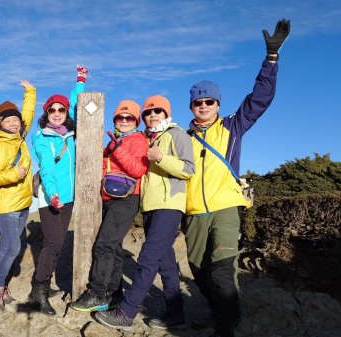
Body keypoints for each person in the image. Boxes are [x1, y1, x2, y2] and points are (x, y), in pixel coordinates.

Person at [183, 19, 290, 337]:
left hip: (226, 207)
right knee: (198, 269)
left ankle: (227, 326)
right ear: (192, 105)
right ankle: (219, 314)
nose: (204, 106)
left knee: (222, 267)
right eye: (198, 102)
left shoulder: (232, 126)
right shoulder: (181, 138)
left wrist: (271, 59)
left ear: (217, 104)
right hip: (193, 213)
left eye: (209, 102)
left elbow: (260, 99)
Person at [95, 95, 195, 332]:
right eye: (149, 113)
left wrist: (161, 157)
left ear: (166, 114)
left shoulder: (176, 134)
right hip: (151, 207)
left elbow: (189, 169)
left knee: (148, 259)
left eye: (157, 112)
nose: (152, 116)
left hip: (169, 206)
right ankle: (176, 314)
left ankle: (127, 312)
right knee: (166, 263)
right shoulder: (150, 139)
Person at [70, 100, 149, 312]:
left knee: (104, 245)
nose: (124, 121)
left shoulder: (138, 140)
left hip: (128, 198)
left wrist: (117, 149)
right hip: (109, 199)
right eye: (120, 117)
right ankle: (114, 295)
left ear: (136, 121)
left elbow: (138, 169)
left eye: (129, 117)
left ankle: (96, 293)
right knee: (113, 247)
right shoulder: (115, 142)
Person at [28, 65, 88, 315]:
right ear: (46, 114)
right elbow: (47, 170)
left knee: (58, 243)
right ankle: (38, 291)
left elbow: (77, 104)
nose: (56, 113)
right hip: (51, 198)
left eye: (60, 109)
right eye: (51, 110)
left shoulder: (70, 135)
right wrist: (52, 194)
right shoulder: (43, 138)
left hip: (69, 198)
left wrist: (80, 81)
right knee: (53, 244)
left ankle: (43, 284)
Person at [0, 80, 36, 314]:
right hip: (6, 206)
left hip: (23, 203)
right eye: (9, 120)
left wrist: (30, 92)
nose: (15, 123)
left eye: (16, 120)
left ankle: (2, 284)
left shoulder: (20, 139)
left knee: (10, 247)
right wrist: (15, 174)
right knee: (12, 246)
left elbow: (28, 114)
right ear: (0, 123)